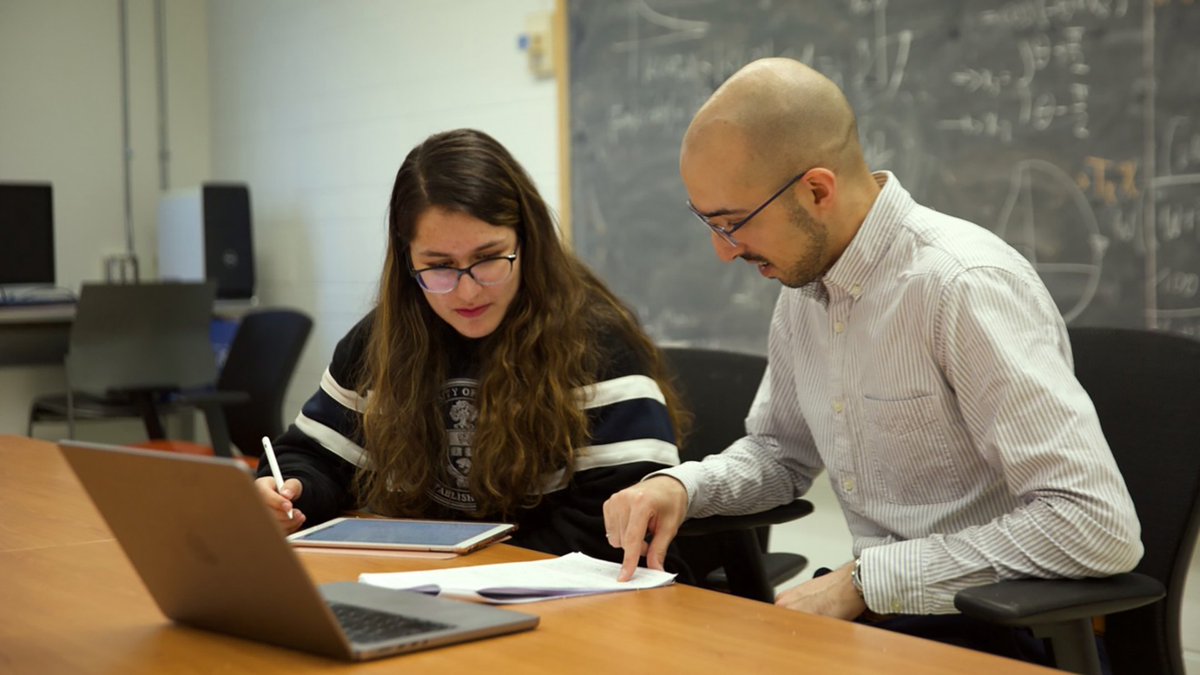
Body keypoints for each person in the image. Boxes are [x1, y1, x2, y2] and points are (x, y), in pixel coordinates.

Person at [602, 58, 1142, 661]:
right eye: (708, 223)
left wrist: (864, 581)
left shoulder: (962, 285)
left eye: (733, 224)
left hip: (1004, 627)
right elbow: (780, 453)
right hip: (892, 618)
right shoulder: (805, 290)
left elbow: (1094, 526)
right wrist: (684, 486)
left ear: (817, 190)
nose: (723, 253)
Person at [257, 128, 686, 562]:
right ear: (408, 261)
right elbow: (313, 456)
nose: (467, 292)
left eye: (488, 258)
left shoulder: (597, 345)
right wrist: (291, 492)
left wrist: (470, 566)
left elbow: (622, 521)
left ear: (527, 242)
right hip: (428, 581)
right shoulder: (380, 342)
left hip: (563, 596)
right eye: (439, 266)